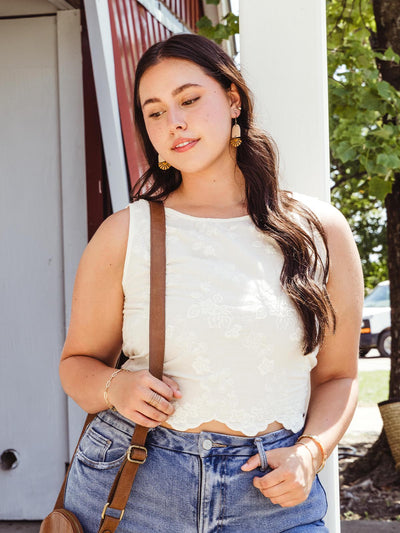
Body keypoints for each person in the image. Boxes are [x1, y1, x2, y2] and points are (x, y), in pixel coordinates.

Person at [60, 33, 363, 532]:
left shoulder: (319, 230)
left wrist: (310, 453)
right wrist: (118, 386)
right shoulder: (125, 232)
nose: (173, 121)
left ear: (233, 99)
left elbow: (338, 376)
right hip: (138, 483)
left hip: (270, 494)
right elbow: (76, 366)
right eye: (154, 112)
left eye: (189, 99)